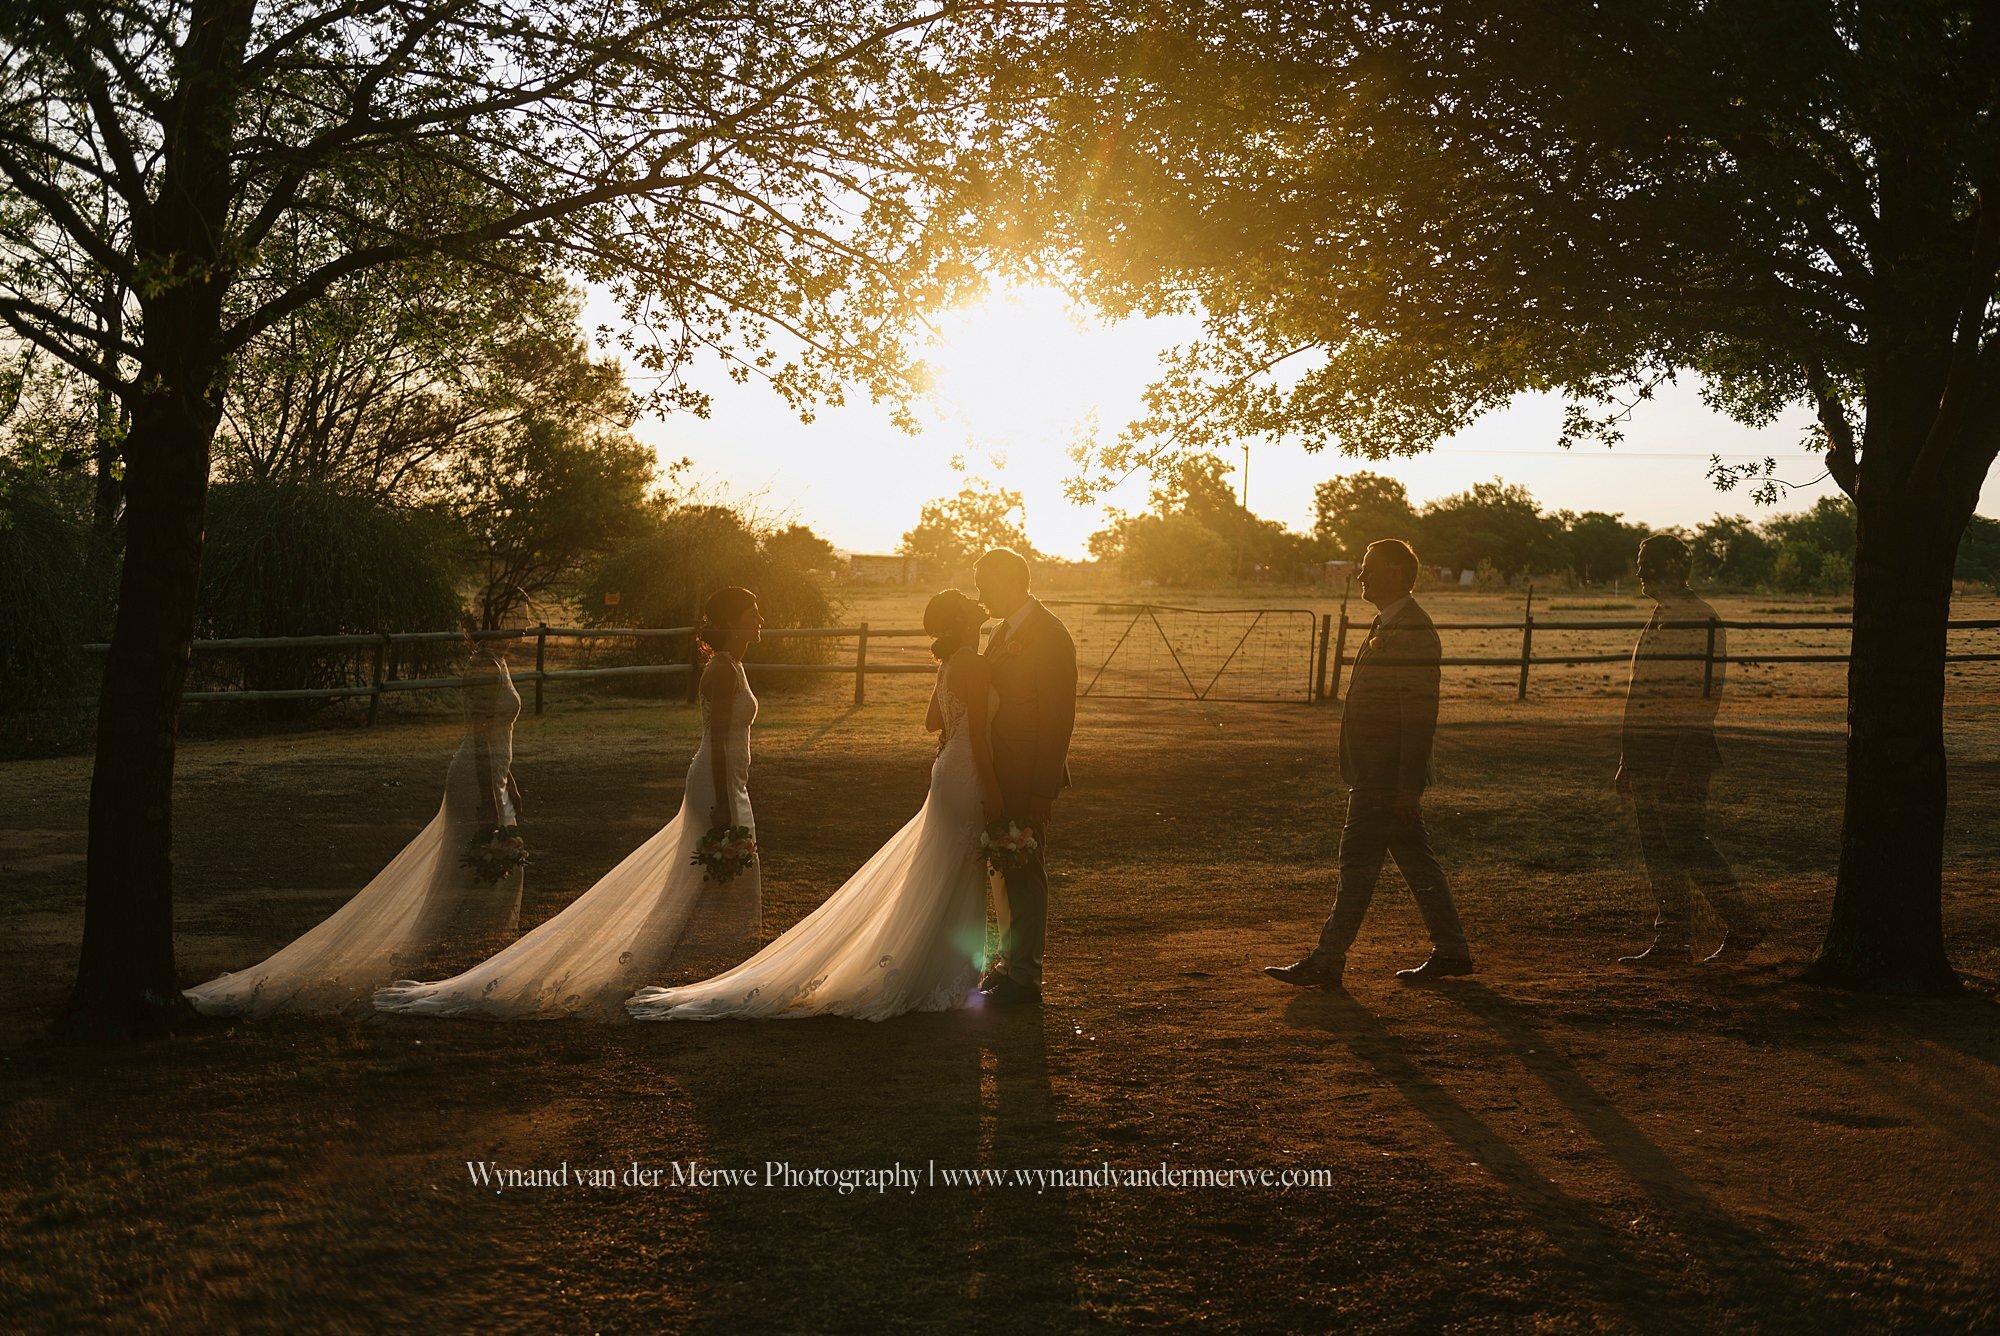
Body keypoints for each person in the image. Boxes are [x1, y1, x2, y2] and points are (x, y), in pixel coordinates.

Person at [372, 588, 764, 1019]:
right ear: (731, 621)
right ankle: (702, 963)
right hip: (718, 784)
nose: (761, 619)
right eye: (753, 613)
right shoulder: (722, 672)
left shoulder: (735, 666)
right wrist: (724, 803)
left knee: (715, 877)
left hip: (732, 783)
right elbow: (719, 747)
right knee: (708, 874)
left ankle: (715, 963)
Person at [626, 589, 1001, 1021]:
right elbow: (980, 738)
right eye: (977, 613)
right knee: (953, 870)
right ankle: (943, 977)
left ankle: (937, 974)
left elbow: (934, 721)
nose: (982, 613)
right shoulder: (970, 663)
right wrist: (993, 787)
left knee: (941, 869)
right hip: (966, 770)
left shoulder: (951, 662)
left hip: (947, 768)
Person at [185, 626, 526, 1017]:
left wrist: (509, 782)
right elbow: (479, 734)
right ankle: (447, 954)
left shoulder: (500, 662)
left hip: (495, 776)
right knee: (467, 868)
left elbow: (500, 733)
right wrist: (487, 797)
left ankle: (474, 954)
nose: (518, 631)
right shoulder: (483, 666)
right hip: (475, 781)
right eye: (510, 624)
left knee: (497, 870)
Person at [1265, 538, 1473, 989]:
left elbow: (1419, 716)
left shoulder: (1412, 631)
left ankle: (1328, 957)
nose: (1360, 575)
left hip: (1383, 776)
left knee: (1355, 866)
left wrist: (1406, 787)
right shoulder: (1390, 624)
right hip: (1380, 774)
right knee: (1417, 866)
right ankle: (1452, 950)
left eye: (1369, 568)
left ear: (1397, 573)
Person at [1616, 534, 1762, 964]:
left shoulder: (1698, 618)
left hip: (1678, 754)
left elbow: (1702, 700)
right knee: (1659, 850)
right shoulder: (1665, 614)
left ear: (1672, 567)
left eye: (1649, 562)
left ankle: (1742, 925)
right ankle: (1673, 939)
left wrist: (1680, 763)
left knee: (1686, 844)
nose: (1641, 571)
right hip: (1648, 754)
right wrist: (1629, 760)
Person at [970, 547, 1077, 1007]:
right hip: (1000, 772)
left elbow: (1058, 717)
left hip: (1027, 775)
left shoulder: (1050, 634)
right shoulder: (1000, 632)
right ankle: (1010, 965)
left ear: (1011, 582)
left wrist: (1042, 789)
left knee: (1025, 872)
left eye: (984, 584)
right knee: (1003, 872)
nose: (980, 594)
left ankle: (1026, 976)